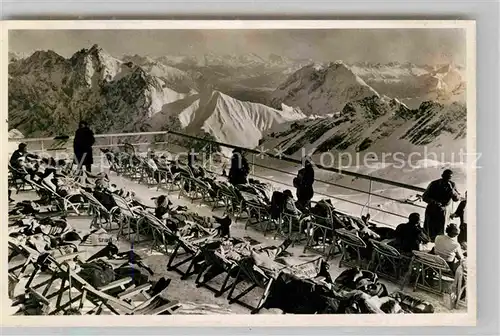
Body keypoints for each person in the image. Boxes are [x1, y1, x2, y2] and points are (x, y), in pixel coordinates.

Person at [422, 169, 460, 241]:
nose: (447, 179)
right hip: (432, 210)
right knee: (430, 231)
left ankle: (439, 246)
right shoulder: (434, 184)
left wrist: (452, 191)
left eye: (449, 178)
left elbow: (456, 199)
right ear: (442, 176)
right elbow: (424, 197)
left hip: (444, 212)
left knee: (442, 232)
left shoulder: (452, 185)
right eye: (446, 177)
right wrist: (435, 202)